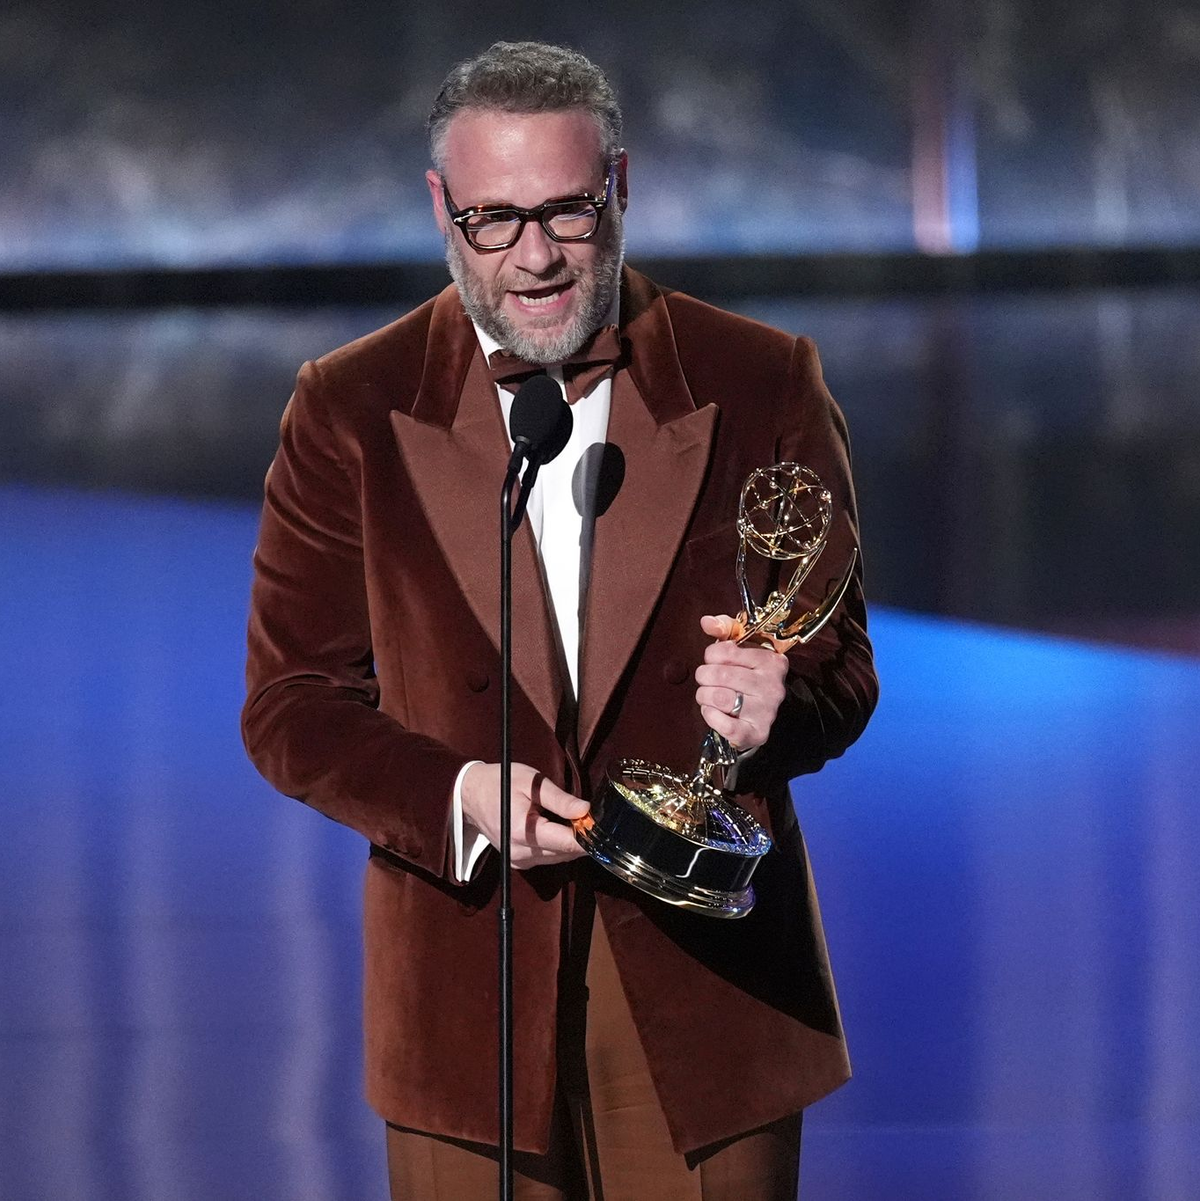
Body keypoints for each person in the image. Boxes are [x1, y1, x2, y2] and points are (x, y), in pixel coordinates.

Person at [242, 40, 877, 1201]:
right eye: (493, 219)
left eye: (566, 212)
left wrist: (777, 712)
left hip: (705, 990)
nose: (533, 256)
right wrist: (457, 796)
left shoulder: (761, 378)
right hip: (465, 989)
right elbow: (290, 705)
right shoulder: (350, 406)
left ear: (619, 187)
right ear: (442, 207)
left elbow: (841, 666)